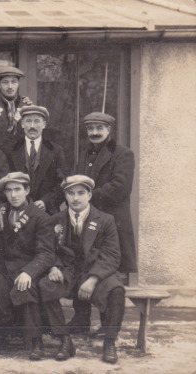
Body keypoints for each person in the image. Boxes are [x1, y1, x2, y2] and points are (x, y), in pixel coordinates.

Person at [40, 175, 125, 363]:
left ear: (89, 195)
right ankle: (64, 339)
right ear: (65, 196)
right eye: (70, 193)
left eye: (80, 193)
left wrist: (93, 279)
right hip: (68, 273)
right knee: (46, 286)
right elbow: (47, 250)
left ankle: (110, 342)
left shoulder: (105, 220)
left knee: (117, 290)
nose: (75, 198)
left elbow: (112, 256)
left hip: (95, 272)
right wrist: (53, 266)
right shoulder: (55, 220)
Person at [70, 112, 136, 332]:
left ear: (109, 130)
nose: (95, 133)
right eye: (91, 129)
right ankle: (81, 321)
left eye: (100, 128)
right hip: (89, 222)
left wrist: (89, 198)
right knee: (83, 264)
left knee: (107, 272)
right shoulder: (84, 155)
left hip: (112, 224)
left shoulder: (123, 154)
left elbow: (120, 187)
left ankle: (108, 326)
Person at [0, 172, 56, 361]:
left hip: (29, 268)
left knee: (26, 289)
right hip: (4, 268)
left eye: (18, 189)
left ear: (27, 190)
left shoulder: (40, 216)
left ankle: (35, 341)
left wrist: (28, 272)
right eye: (8, 190)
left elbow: (46, 253)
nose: (13, 195)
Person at [7, 105, 68, 215]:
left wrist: (46, 202)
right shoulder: (11, 150)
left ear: (43, 124)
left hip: (47, 213)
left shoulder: (56, 150)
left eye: (37, 121)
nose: (32, 126)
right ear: (22, 124)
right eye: (28, 121)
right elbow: (5, 181)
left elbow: (62, 183)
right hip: (18, 212)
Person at [0, 66, 32, 154]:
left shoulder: (27, 107)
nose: (10, 87)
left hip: (21, 158)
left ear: (18, 84)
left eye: (13, 82)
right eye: (5, 82)